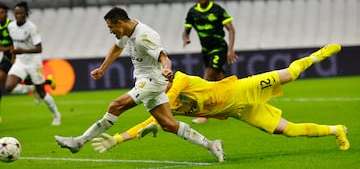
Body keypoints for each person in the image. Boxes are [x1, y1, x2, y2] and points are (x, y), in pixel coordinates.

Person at [90, 43, 350, 156]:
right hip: (239, 111)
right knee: (288, 131)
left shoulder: (179, 80)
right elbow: (152, 122)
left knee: (290, 74)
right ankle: (337, 130)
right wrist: (117, 139)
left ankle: (320, 54)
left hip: (242, 90)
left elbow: (159, 111)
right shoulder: (169, 104)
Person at [54, 7, 225, 162]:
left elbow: (164, 57)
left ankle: (79, 141)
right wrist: (102, 68)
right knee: (168, 124)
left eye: (110, 27)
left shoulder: (144, 36)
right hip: (146, 81)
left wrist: (166, 69)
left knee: (116, 106)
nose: (110, 31)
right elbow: (116, 48)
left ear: (120, 23)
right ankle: (211, 145)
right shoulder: (126, 33)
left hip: (152, 81)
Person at [182, 0, 238, 124]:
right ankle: (233, 103)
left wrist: (231, 50)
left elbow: (231, 29)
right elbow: (186, 30)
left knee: (207, 77)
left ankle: (204, 114)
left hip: (219, 48)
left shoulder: (217, 10)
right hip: (205, 51)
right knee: (219, 79)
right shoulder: (193, 12)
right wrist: (186, 38)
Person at [5, 1, 61, 126]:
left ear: (26, 14)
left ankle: (57, 115)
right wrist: (14, 56)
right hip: (20, 61)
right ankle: (31, 88)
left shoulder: (32, 28)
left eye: (21, 13)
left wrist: (21, 51)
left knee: (42, 93)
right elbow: (14, 44)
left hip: (34, 63)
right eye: (17, 13)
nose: (19, 15)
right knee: (9, 87)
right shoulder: (11, 26)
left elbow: (39, 48)